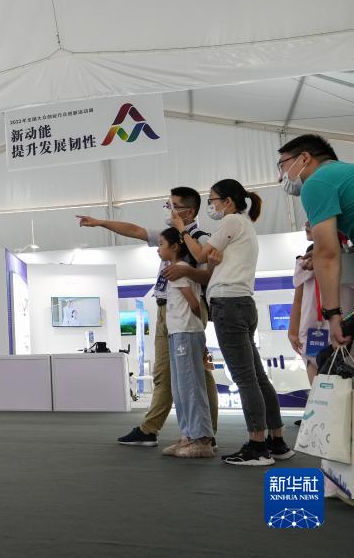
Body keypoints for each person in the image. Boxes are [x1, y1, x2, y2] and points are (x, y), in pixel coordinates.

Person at [78, 186, 219, 447]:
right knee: (171, 372)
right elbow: (135, 230)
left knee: (194, 373)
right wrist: (100, 222)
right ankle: (165, 429)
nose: (168, 210)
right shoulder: (170, 234)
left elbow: (209, 275)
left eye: (173, 206)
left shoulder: (200, 238)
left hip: (185, 311)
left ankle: (201, 434)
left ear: (189, 211)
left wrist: (185, 276)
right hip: (168, 309)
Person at [175, 179, 293, 465]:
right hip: (242, 303)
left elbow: (200, 254)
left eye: (213, 200)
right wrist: (214, 260)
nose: (211, 205)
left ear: (227, 201)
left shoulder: (231, 222)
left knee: (245, 378)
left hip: (228, 305)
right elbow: (212, 260)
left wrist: (182, 230)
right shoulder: (244, 225)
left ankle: (257, 446)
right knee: (257, 376)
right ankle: (276, 441)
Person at [277, 134, 354, 348]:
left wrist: (333, 315)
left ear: (304, 158)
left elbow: (327, 254)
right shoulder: (343, 173)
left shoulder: (316, 182)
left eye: (282, 166)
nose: (280, 177)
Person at [156, 228, 215, 458]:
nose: (158, 249)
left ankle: (202, 439)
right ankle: (189, 434)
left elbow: (194, 303)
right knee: (180, 388)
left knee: (190, 385)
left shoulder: (179, 270)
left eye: (161, 244)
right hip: (178, 332)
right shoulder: (175, 270)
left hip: (186, 332)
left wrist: (198, 327)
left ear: (174, 247)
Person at [288, 224, 322, 385]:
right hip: (311, 331)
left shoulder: (345, 257)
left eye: (312, 219)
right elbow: (298, 299)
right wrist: (293, 330)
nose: (306, 224)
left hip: (340, 330)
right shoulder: (305, 260)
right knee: (317, 387)